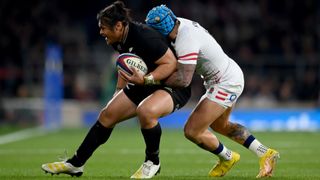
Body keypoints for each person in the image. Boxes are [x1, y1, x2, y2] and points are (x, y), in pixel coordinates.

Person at [41, 1, 191, 179]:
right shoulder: (118, 39)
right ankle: (76, 164)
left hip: (173, 84)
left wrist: (146, 79)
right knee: (107, 114)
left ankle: (152, 162)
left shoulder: (144, 36)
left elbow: (170, 63)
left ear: (119, 26)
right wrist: (118, 91)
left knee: (147, 111)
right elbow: (125, 62)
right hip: (145, 81)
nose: (101, 32)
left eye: (104, 28)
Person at [143, 5, 280, 178]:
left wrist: (150, 79)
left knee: (192, 131)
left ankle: (228, 158)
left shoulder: (185, 39)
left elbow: (184, 80)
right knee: (220, 125)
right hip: (227, 75)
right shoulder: (179, 26)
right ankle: (265, 153)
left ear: (161, 28)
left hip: (225, 82)